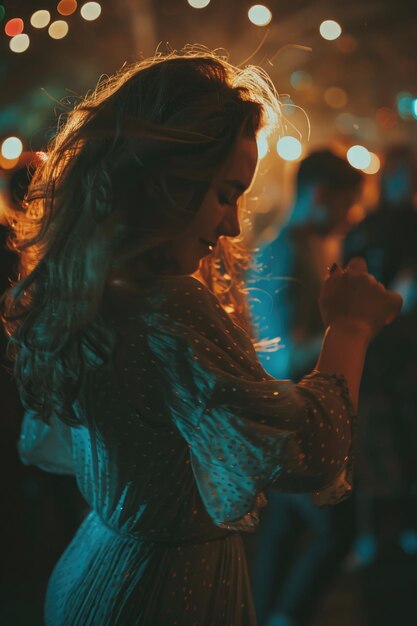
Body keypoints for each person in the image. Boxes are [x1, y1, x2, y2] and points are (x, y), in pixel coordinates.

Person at [1, 50, 401, 626]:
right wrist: (353, 326)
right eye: (223, 193)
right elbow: (309, 452)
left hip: (98, 565)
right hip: (163, 591)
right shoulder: (166, 303)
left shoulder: (91, 288)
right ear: (165, 182)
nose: (234, 224)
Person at [245, 150, 363, 626]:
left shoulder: (316, 245)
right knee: (337, 529)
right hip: (289, 416)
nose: (351, 216)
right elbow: (276, 356)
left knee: (285, 531)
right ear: (319, 195)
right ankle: (285, 615)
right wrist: (356, 328)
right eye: (346, 204)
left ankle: (269, 613)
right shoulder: (282, 253)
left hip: (301, 414)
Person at [343, 144, 417, 566]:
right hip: (375, 352)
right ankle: (370, 530)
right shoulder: (366, 230)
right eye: (399, 175)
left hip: (409, 353)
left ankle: (406, 525)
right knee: (371, 446)